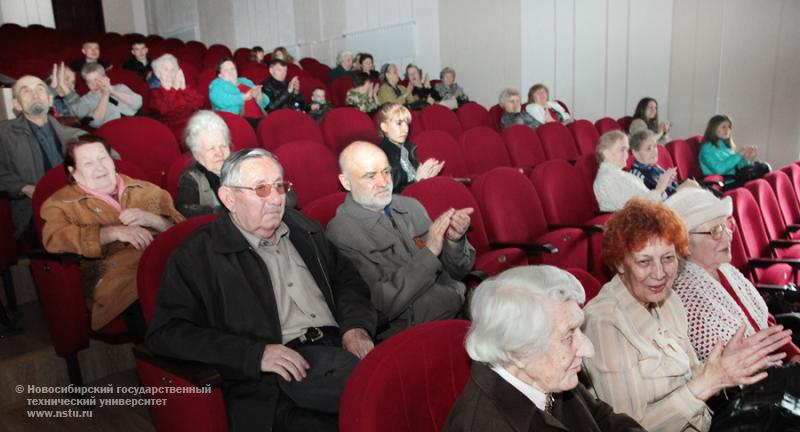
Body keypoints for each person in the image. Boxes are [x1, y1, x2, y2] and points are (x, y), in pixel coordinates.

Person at [147, 148, 377, 431]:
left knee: (413, 383)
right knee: (373, 406)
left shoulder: (305, 229)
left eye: (280, 186)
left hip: (339, 350)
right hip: (274, 379)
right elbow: (167, 334)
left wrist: (355, 328)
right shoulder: (197, 255)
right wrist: (254, 355)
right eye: (261, 189)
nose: (277, 199)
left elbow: (348, 282)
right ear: (229, 198)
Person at [582, 198, 792, 432]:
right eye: (644, 261)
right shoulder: (605, 323)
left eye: (668, 258)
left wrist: (724, 365)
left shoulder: (669, 301)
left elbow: (691, 375)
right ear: (621, 263)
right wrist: (711, 380)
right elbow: (628, 427)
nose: (660, 273)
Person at [442, 265, 645, 432]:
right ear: (518, 352)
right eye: (568, 336)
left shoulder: (546, 375)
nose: (588, 349)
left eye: (580, 329)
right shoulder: (484, 424)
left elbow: (603, 420)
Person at [327, 141, 475, 339]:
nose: (383, 182)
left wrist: (453, 242)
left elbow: (459, 271)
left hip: (458, 303)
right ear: (346, 182)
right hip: (416, 328)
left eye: (386, 172)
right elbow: (380, 305)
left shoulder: (410, 206)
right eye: (370, 176)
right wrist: (430, 252)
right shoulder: (342, 232)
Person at [41, 135, 183, 338]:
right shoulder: (60, 204)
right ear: (73, 171)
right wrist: (109, 233)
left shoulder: (147, 190)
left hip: (165, 263)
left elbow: (185, 232)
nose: (99, 168)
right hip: (114, 273)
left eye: (103, 159)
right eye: (88, 163)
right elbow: (54, 239)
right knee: (158, 296)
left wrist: (155, 220)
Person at [668, 187, 800, 363]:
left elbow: (765, 325)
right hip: (751, 383)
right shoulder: (686, 297)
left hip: (776, 365)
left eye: (728, 226)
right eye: (716, 231)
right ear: (685, 244)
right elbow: (729, 367)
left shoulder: (726, 271)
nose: (728, 236)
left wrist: (794, 355)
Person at [0, 75, 86, 241]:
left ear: (49, 99)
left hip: (77, 201)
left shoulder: (71, 134)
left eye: (40, 89)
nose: (35, 94)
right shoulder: (4, 134)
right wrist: (24, 188)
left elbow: (110, 157)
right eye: (26, 91)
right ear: (16, 104)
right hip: (35, 210)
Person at [593, 131, 690, 212]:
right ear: (607, 153)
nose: (627, 155)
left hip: (656, 214)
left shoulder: (621, 174)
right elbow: (635, 211)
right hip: (642, 226)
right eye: (622, 150)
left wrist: (663, 187)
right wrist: (660, 189)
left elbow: (649, 199)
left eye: (627, 150)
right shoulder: (606, 178)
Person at [376, 103, 443, 193]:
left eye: (406, 124)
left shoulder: (408, 148)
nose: (405, 129)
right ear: (384, 127)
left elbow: (415, 178)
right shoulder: (380, 156)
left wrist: (428, 176)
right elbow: (390, 194)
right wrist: (417, 180)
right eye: (399, 123)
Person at [175, 111, 231, 218]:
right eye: (211, 149)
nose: (219, 153)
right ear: (196, 154)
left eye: (223, 146)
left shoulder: (240, 166)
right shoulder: (191, 177)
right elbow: (183, 210)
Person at [698, 114, 769, 189]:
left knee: (764, 168)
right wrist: (739, 155)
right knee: (761, 174)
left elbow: (738, 166)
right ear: (713, 129)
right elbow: (719, 170)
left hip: (734, 179)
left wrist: (747, 159)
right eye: (724, 127)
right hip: (722, 184)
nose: (727, 130)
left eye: (729, 127)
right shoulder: (706, 149)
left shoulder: (724, 146)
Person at [148, 54, 204, 144]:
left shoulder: (181, 88)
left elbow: (199, 103)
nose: (170, 73)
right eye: (166, 69)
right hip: (172, 133)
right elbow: (165, 110)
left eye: (173, 69)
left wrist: (184, 87)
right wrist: (175, 89)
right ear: (158, 74)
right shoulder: (155, 92)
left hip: (192, 126)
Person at [72, 63, 142, 128]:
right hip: (114, 128)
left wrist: (112, 91)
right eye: (90, 82)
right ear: (86, 83)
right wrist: (105, 95)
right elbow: (95, 123)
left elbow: (138, 103)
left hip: (136, 121)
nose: (94, 85)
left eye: (97, 80)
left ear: (105, 77)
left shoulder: (120, 87)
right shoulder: (86, 100)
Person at [209, 57, 268, 127]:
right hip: (239, 122)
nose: (230, 72)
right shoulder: (217, 84)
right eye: (226, 70)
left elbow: (265, 101)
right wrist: (243, 97)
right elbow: (219, 99)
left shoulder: (245, 81)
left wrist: (259, 96)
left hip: (261, 119)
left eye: (232, 68)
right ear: (220, 75)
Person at [629, 130, 679, 196]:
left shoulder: (654, 167)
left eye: (655, 146)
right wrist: (680, 189)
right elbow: (653, 200)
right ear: (635, 153)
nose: (654, 151)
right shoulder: (636, 176)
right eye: (648, 149)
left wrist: (670, 181)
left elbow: (672, 187)